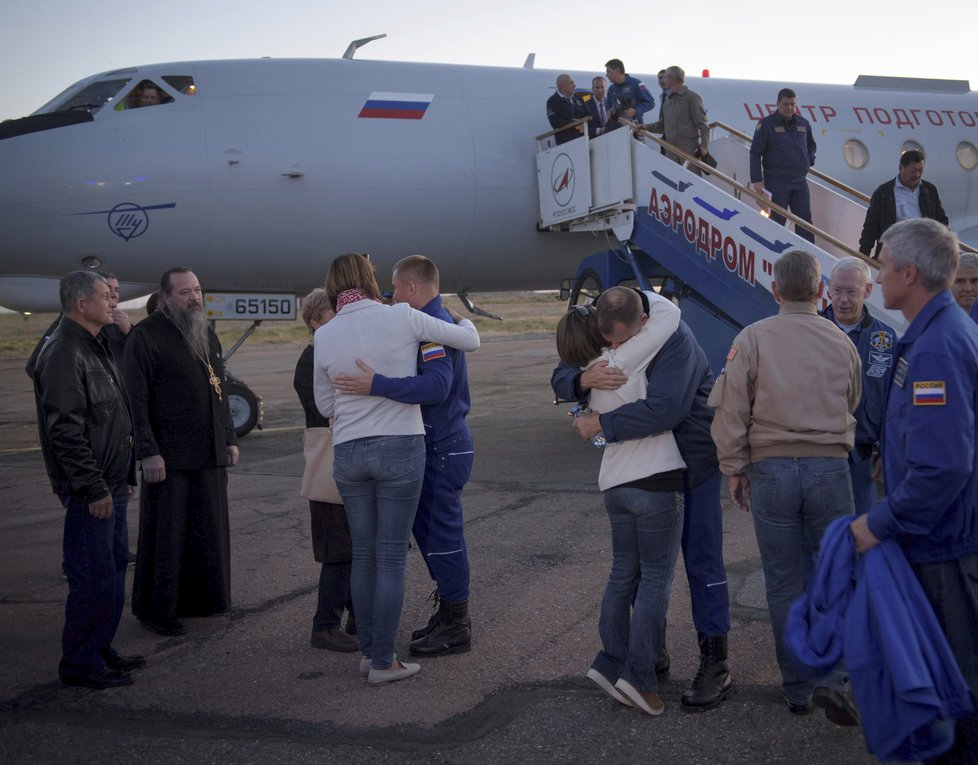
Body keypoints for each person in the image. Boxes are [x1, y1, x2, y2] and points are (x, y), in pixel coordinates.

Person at [551, 290, 735, 713]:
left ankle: (715, 661)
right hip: (647, 469)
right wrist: (581, 380)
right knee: (643, 569)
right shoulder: (607, 320)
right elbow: (563, 369)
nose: (613, 350)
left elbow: (665, 410)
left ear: (642, 322)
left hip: (690, 461)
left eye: (619, 341)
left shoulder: (675, 340)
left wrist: (599, 422)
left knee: (700, 560)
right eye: (606, 341)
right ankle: (648, 655)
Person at [313, 253, 480, 687]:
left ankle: (393, 645)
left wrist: (373, 387)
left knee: (389, 550)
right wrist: (465, 324)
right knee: (393, 555)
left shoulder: (327, 333)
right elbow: (472, 340)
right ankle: (392, 651)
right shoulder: (408, 320)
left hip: (380, 449)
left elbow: (326, 405)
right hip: (404, 447)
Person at [708, 249, 861, 721]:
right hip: (830, 470)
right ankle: (834, 679)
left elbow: (730, 410)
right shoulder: (842, 341)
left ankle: (797, 688)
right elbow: (854, 398)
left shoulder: (752, 338)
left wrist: (734, 467)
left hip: (771, 470)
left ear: (774, 290)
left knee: (782, 583)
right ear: (821, 292)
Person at [850, 218, 978, 762]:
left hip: (943, 545)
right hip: (938, 537)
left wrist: (876, 523)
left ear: (909, 272)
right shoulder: (935, 332)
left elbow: (943, 468)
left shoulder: (935, 349)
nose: (876, 278)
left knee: (955, 683)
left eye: (882, 267)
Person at [556, 288, 684, 715]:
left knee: (621, 575)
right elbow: (666, 310)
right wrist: (630, 297)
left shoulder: (592, 373)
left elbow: (577, 405)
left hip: (615, 485)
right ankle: (639, 676)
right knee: (655, 582)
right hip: (656, 479)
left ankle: (610, 661)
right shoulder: (628, 356)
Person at [33, 270, 144, 689]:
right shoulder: (64, 350)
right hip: (91, 490)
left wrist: (123, 475)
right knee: (92, 578)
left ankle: (100, 649)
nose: (113, 301)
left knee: (112, 572)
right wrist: (93, 486)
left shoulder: (93, 344)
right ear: (82, 303)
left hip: (111, 482)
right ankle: (80, 664)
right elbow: (65, 429)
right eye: (105, 296)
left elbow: (115, 414)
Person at [124, 267, 238, 637]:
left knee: (208, 530)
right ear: (166, 297)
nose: (194, 298)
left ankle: (203, 602)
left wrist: (229, 437)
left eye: (197, 290)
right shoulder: (146, 336)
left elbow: (218, 388)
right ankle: (159, 609)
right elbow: (136, 401)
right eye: (185, 292)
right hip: (168, 457)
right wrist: (148, 451)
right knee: (167, 537)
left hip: (208, 451)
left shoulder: (204, 331)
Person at [293, 288, 357, 652]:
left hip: (343, 459)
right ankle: (326, 625)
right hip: (332, 463)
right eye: (333, 314)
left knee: (353, 546)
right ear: (315, 322)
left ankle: (356, 619)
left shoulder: (326, 354)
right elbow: (326, 408)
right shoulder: (311, 360)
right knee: (338, 548)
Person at [821, 257, 896, 516]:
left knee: (860, 535)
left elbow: (893, 402)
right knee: (820, 539)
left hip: (862, 458)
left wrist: (887, 452)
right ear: (828, 288)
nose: (842, 299)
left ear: (867, 290)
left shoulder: (885, 339)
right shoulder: (812, 331)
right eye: (837, 290)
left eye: (851, 292)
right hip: (817, 455)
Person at [749, 89, 817, 243]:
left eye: (793, 104)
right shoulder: (766, 125)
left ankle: (808, 255)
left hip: (799, 181)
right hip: (777, 181)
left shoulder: (803, 123)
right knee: (778, 220)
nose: (790, 108)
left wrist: (808, 160)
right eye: (786, 104)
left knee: (805, 221)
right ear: (778, 104)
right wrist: (757, 179)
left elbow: (811, 145)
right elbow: (755, 153)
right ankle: (774, 251)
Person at [858, 150, 949, 258]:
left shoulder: (929, 190)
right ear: (901, 167)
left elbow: (941, 221)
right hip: (894, 255)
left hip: (924, 254)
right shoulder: (883, 193)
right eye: (914, 171)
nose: (918, 175)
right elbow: (871, 227)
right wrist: (863, 256)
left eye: (921, 170)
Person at [646, 66, 710, 175]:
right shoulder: (667, 99)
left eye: (665, 77)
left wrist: (704, 146)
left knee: (691, 182)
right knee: (672, 180)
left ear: (672, 79)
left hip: (688, 150)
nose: (662, 81)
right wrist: (646, 127)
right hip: (670, 149)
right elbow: (662, 125)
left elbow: (702, 124)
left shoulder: (691, 97)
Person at [605, 59, 655, 126]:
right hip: (616, 130)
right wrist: (609, 112)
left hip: (634, 129)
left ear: (617, 70)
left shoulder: (636, 84)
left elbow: (650, 103)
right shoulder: (611, 89)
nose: (606, 75)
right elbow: (609, 108)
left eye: (608, 72)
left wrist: (635, 111)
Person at [546, 74, 587, 145]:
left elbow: (589, 114)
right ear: (562, 87)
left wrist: (584, 124)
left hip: (584, 139)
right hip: (566, 143)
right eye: (571, 83)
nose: (574, 85)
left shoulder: (578, 98)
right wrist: (574, 123)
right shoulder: (552, 101)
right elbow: (555, 122)